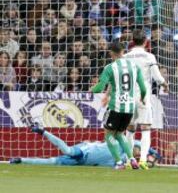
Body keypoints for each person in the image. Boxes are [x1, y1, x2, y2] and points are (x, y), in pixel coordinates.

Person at [91, 42, 147, 170]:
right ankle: (132, 159)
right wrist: (143, 98)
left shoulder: (109, 68)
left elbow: (100, 87)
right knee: (120, 134)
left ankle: (119, 162)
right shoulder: (134, 66)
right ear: (123, 52)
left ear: (111, 52)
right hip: (129, 108)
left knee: (109, 135)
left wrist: (91, 90)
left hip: (115, 107)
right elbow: (143, 88)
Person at [9, 123, 161, 168]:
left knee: (51, 162)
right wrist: (153, 152)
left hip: (83, 161)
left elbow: (120, 165)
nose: (136, 150)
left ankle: (20, 160)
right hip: (86, 150)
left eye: (138, 152)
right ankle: (42, 131)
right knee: (68, 150)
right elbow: (138, 143)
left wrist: (148, 161)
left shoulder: (123, 158)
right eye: (138, 150)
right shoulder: (125, 145)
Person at [123, 29, 169, 170]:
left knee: (130, 129)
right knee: (145, 128)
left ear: (132, 41)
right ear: (145, 42)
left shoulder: (125, 57)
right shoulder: (149, 57)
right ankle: (143, 160)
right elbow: (156, 75)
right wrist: (164, 84)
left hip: (129, 97)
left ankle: (129, 161)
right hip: (143, 97)